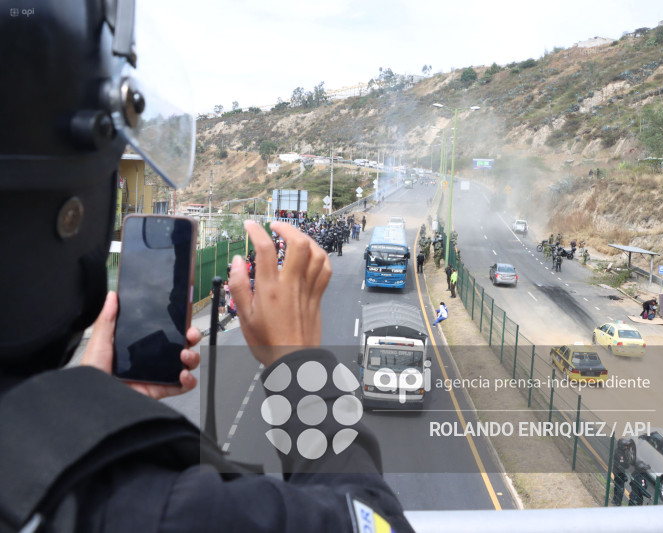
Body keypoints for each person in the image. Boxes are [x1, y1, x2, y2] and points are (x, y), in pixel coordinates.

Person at [0, 5, 413, 532]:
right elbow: (376, 521)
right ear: (73, 217)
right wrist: (300, 367)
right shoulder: (166, 511)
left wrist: (86, 417)